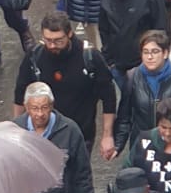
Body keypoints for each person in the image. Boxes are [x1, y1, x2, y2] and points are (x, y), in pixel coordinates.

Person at [15, 11, 118, 160]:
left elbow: (109, 98)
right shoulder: (35, 56)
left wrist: (107, 135)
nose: (51, 45)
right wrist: (17, 130)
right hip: (42, 133)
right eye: (47, 40)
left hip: (81, 134)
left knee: (76, 178)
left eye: (58, 40)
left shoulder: (90, 57)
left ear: (69, 34)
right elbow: (20, 93)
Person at [113, 27, 171, 159]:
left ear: (165, 53)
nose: (150, 57)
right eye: (145, 52)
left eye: (155, 52)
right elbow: (124, 117)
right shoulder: (132, 77)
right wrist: (117, 146)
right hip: (143, 146)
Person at [99, 0, 171, 79]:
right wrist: (109, 60)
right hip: (118, 67)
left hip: (145, 67)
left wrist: (154, 61)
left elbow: (162, 32)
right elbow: (104, 29)